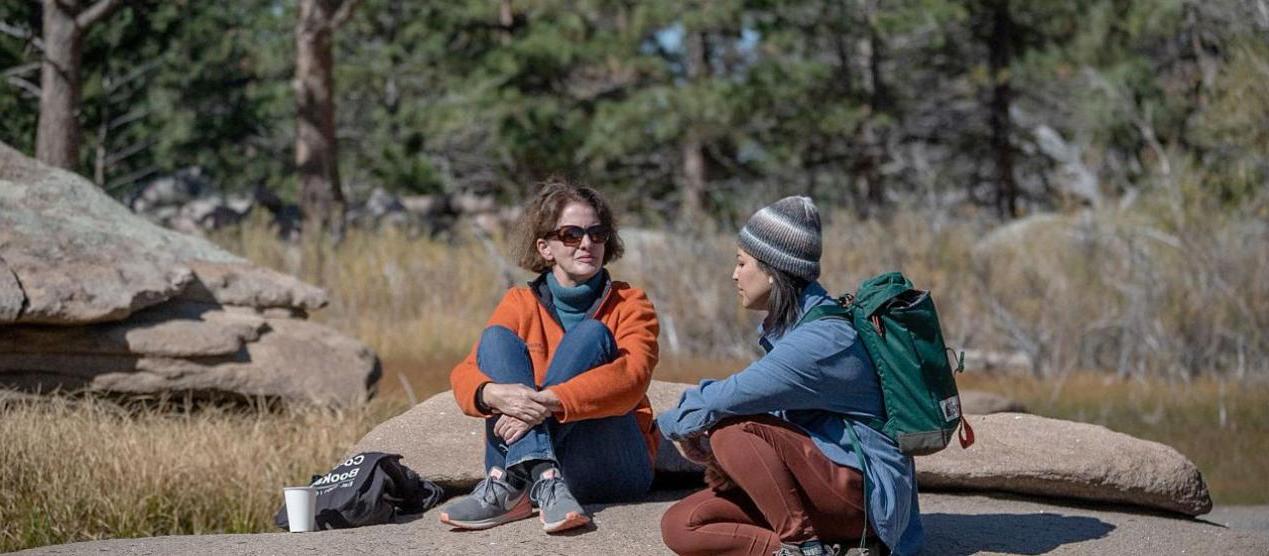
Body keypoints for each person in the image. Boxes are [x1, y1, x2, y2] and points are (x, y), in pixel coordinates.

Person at [656, 196, 923, 556]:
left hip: (864, 499)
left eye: (741, 263)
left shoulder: (822, 342)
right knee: (682, 525)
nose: (734, 274)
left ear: (772, 269)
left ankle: (801, 545)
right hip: (819, 485)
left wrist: (671, 424)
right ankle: (816, 551)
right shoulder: (797, 326)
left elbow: (727, 397)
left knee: (732, 429)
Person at [440, 178, 660, 534]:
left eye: (597, 233)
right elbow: (466, 373)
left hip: (612, 459)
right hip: (556, 464)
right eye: (572, 235)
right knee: (496, 340)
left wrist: (545, 403)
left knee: (590, 336)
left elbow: (631, 380)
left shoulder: (631, 303)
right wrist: (489, 393)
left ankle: (512, 484)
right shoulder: (519, 302)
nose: (587, 243)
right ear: (545, 247)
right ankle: (544, 477)